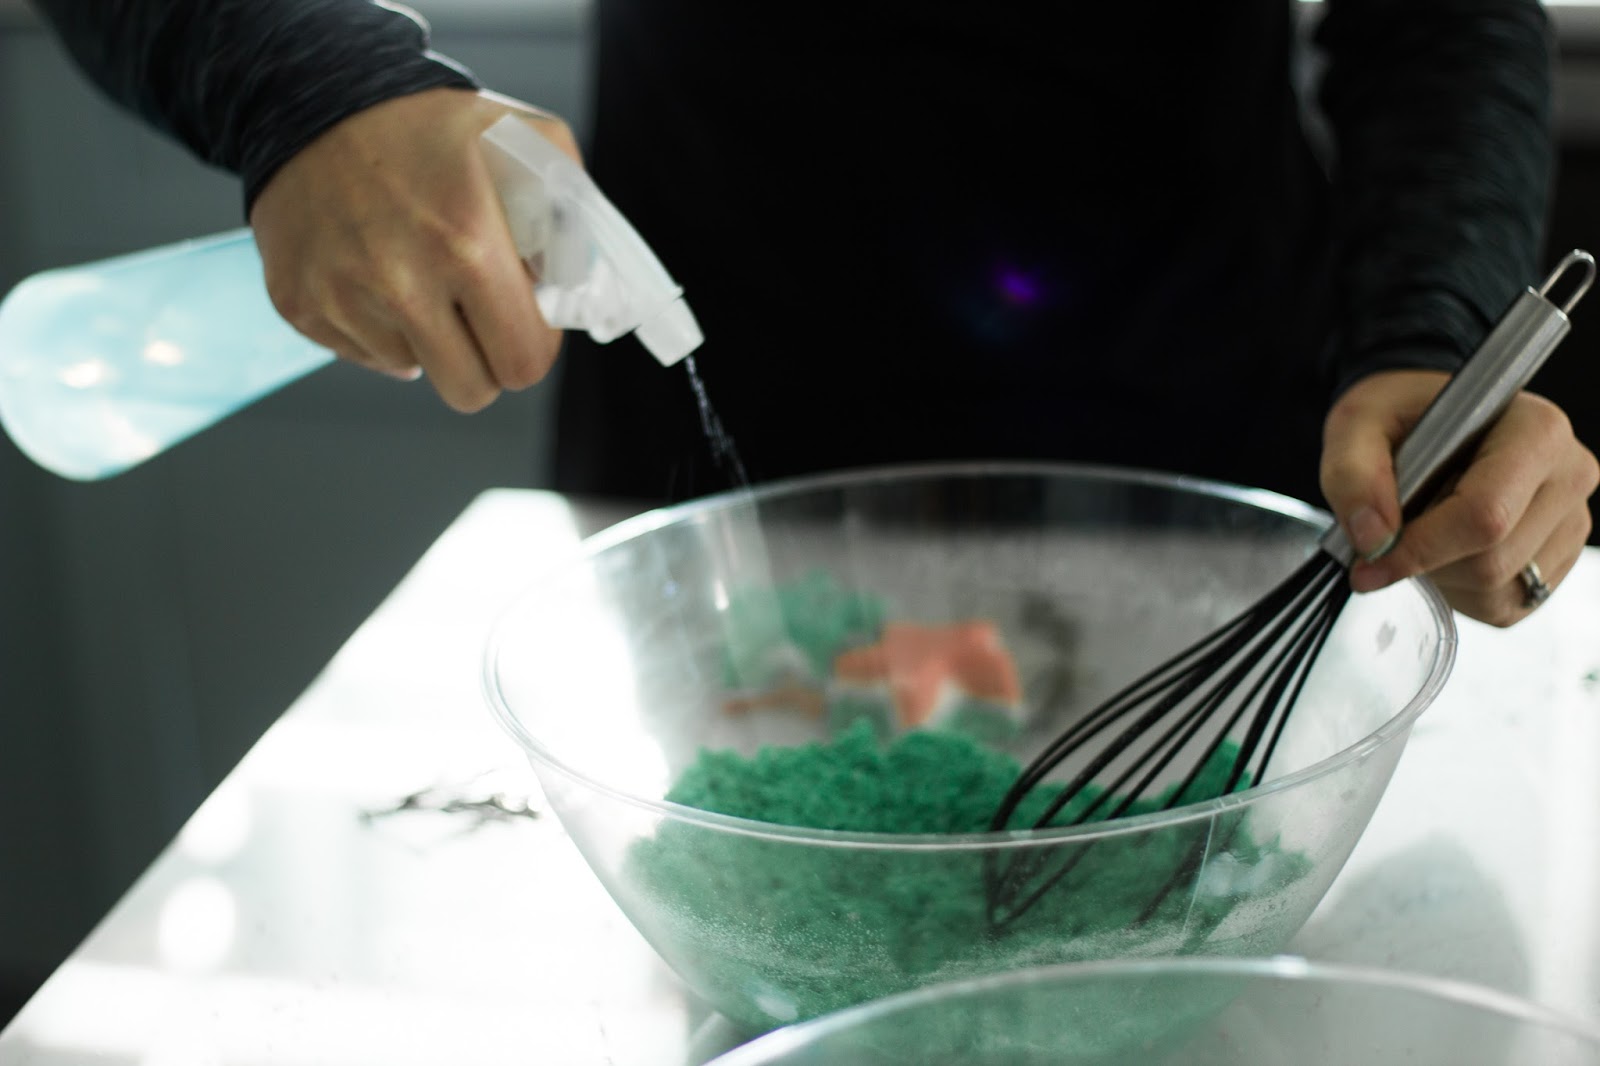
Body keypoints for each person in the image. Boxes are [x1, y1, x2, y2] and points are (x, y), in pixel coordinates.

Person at [28, 0, 1599, 628]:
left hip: (1216, 479)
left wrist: (1432, 338)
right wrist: (311, 88)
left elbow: (1436, 22)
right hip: (716, 487)